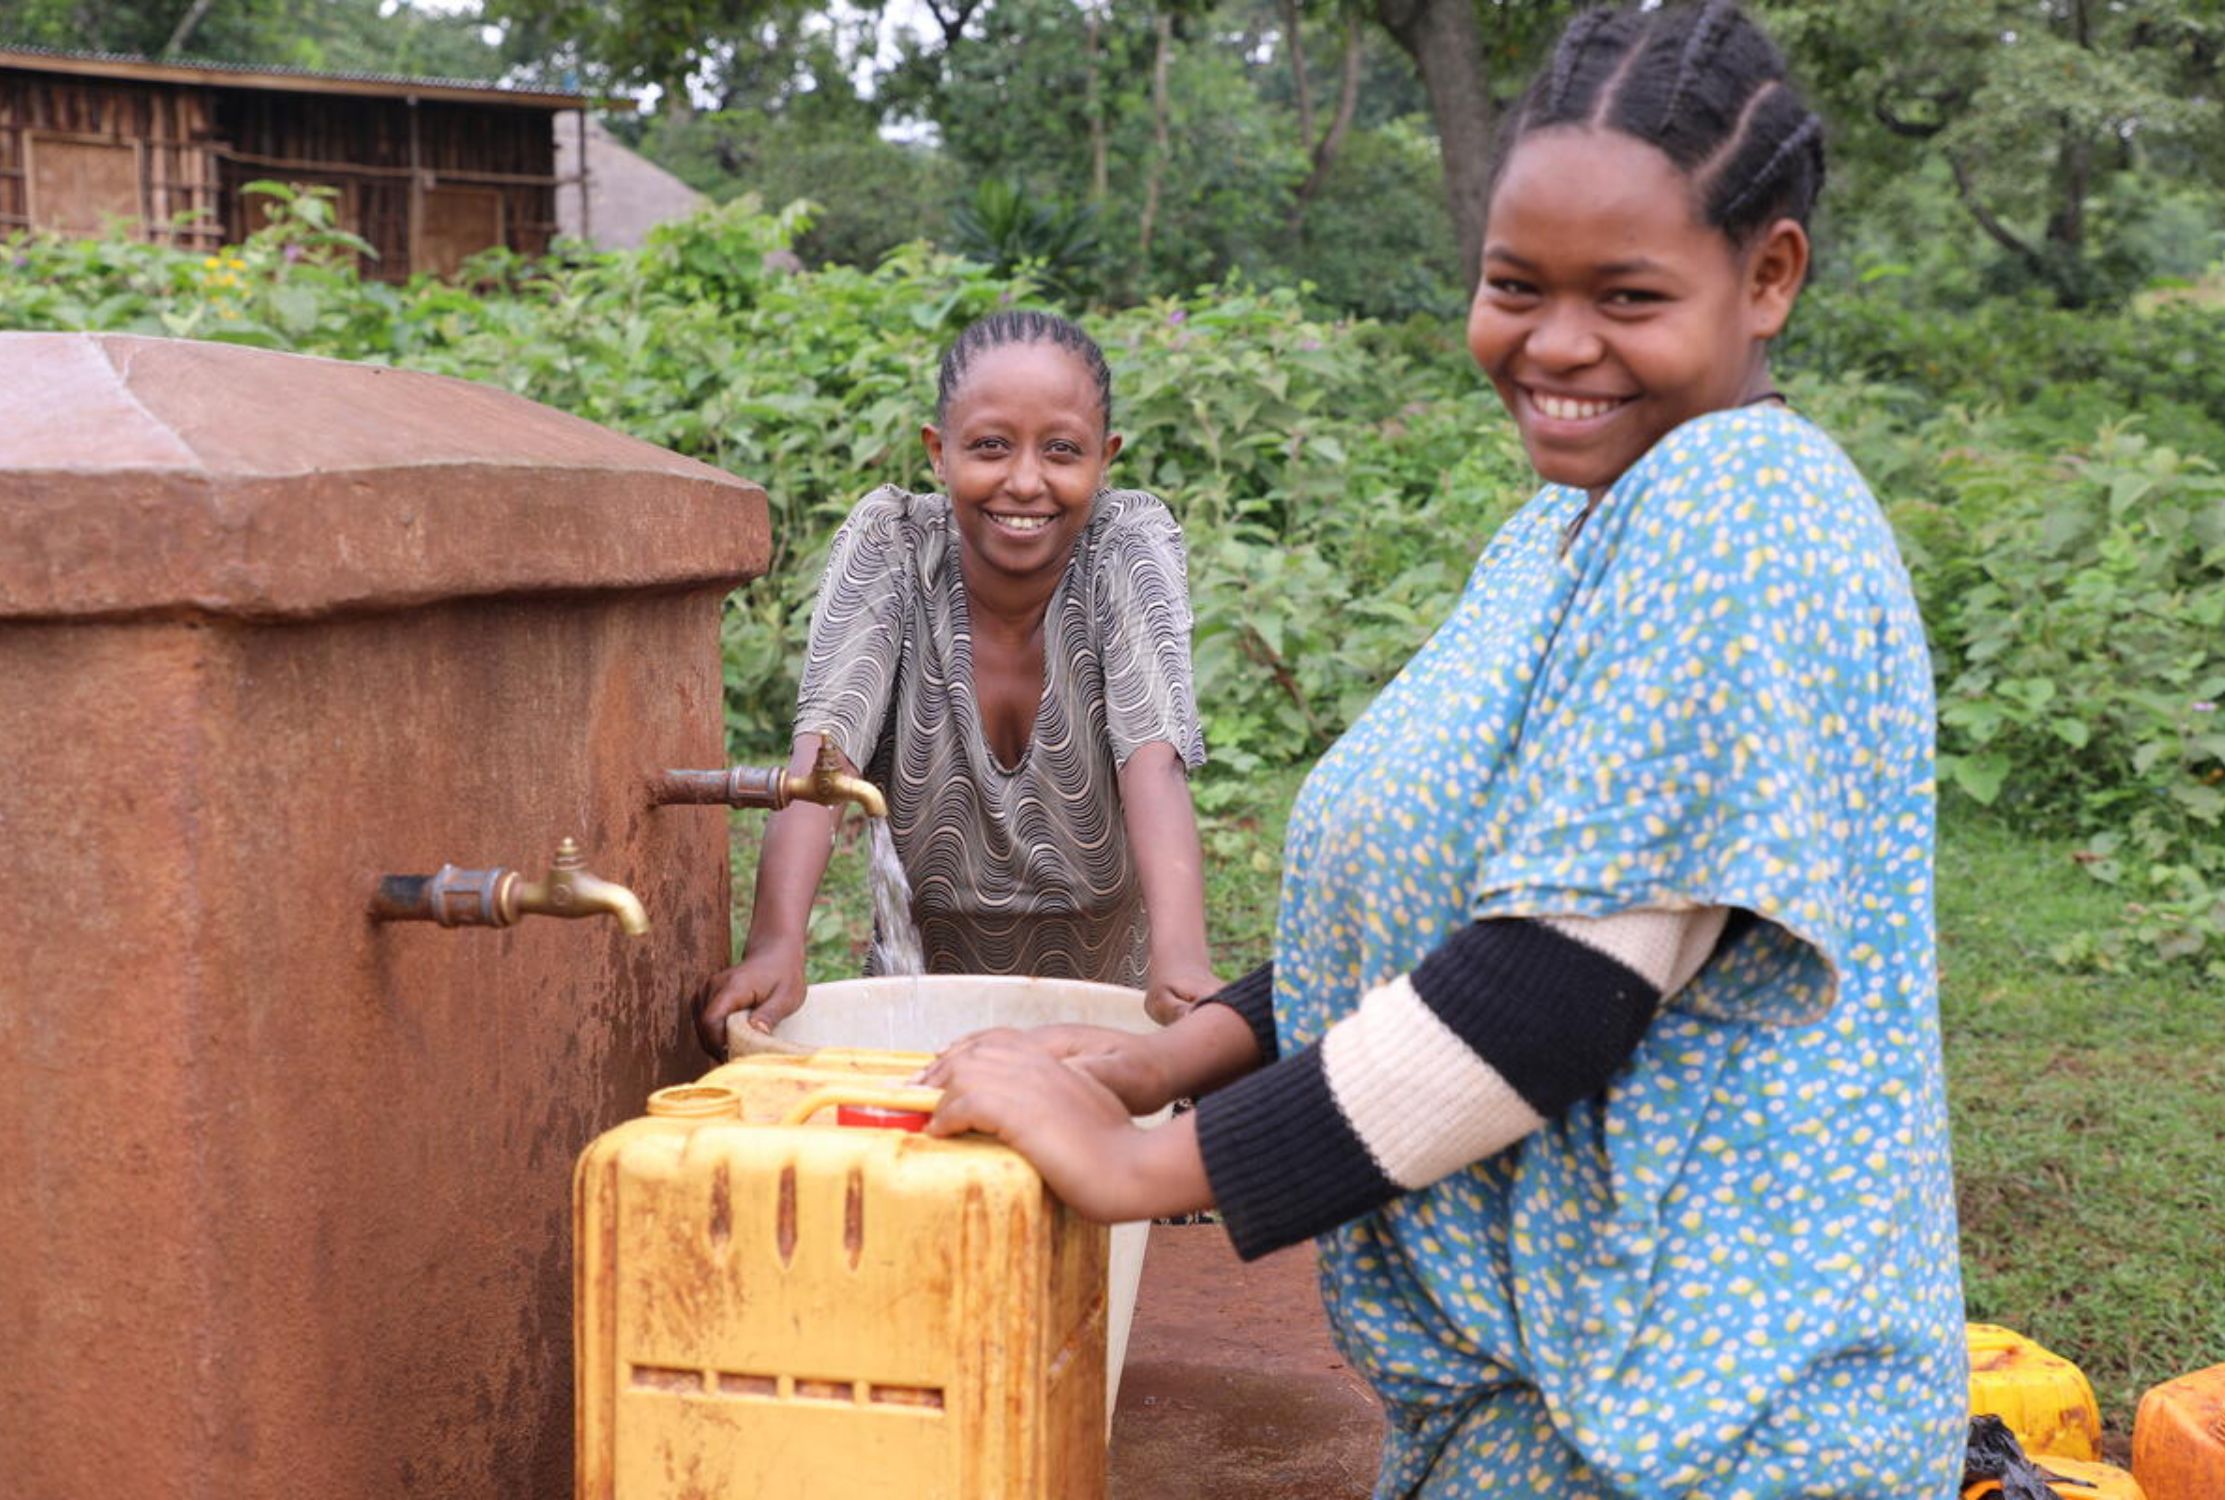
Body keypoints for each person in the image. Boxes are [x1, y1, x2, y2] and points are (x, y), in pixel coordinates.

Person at [919, 5, 1967, 1495]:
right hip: (1568, 1408)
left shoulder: (1743, 513)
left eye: (1626, 294)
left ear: (1769, 274)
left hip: (1702, 1431)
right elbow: (1456, 902)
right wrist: (1169, 1060)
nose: (1554, 344)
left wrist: (1138, 1171)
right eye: (1512, 285)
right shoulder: (1569, 525)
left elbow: (1551, 980)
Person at [696, 310, 1219, 1054]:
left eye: (1063, 451)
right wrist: (778, 944)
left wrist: (1182, 960)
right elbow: (823, 762)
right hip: (914, 1003)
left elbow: (1153, 758)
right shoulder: (892, 546)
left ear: (1104, 459)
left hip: (1109, 1005)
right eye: (990, 447)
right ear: (939, 454)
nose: (1025, 481)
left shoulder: (1123, 547)